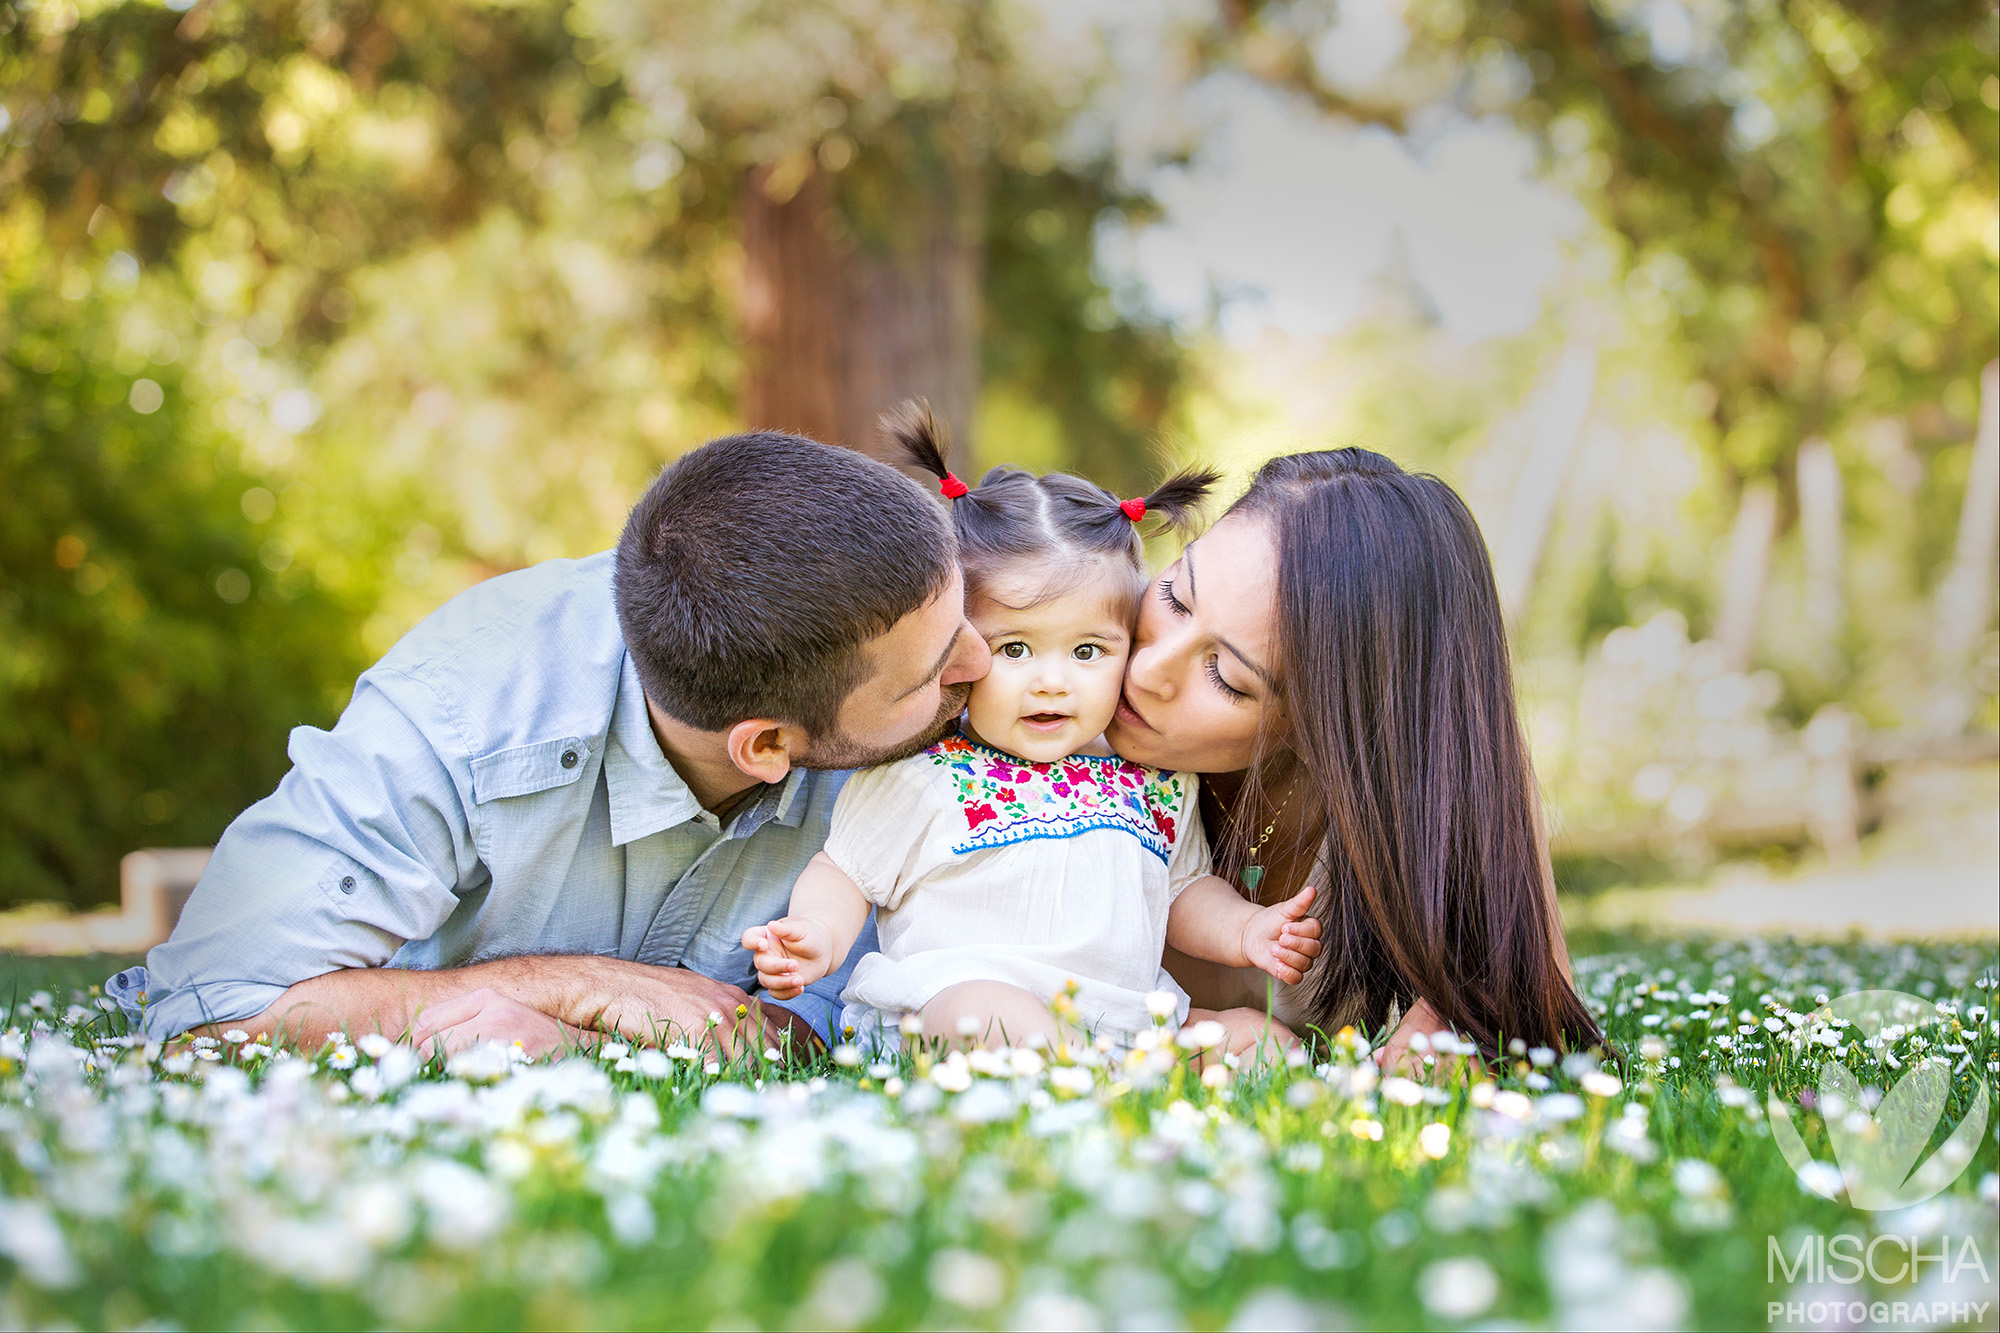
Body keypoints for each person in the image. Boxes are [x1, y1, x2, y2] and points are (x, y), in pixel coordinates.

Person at [107, 429, 991, 1055]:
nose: (981, 661)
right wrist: (574, 987)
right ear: (766, 745)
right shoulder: (458, 715)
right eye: (928, 675)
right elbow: (202, 1018)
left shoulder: (932, 685)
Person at [742, 406, 1322, 1050]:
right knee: (992, 1017)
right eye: (1014, 649)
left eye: (1087, 652)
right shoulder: (923, 777)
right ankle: (1074, 1086)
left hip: (1124, 1021)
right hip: (960, 1001)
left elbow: (1184, 891)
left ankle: (1101, 1078)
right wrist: (816, 934)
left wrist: (1246, 930)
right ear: (957, 646)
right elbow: (846, 871)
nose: (1053, 682)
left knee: (1262, 1042)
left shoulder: (1155, 785)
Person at [1106, 447, 1604, 1071]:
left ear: (1327, 725)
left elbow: (1511, 1012)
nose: (1147, 670)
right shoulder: (1047, 725)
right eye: (1176, 596)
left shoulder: (1414, 800)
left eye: (1227, 676)